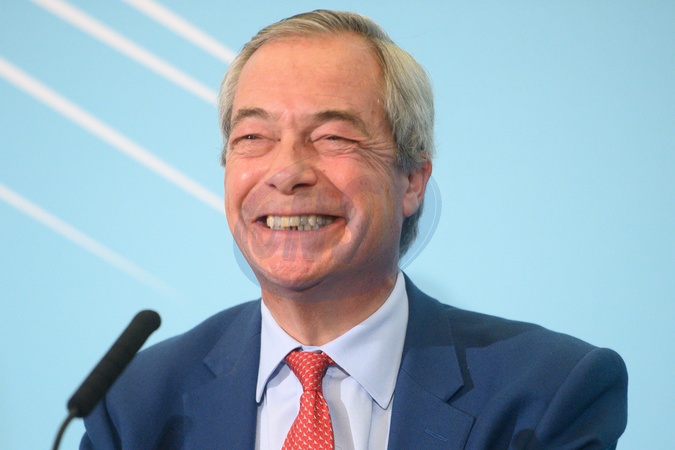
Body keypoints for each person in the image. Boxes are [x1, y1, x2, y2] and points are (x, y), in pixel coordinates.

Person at [81, 10, 628, 450]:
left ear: (412, 179)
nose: (287, 172)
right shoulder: (136, 402)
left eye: (333, 137)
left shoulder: (546, 392)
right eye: (253, 137)